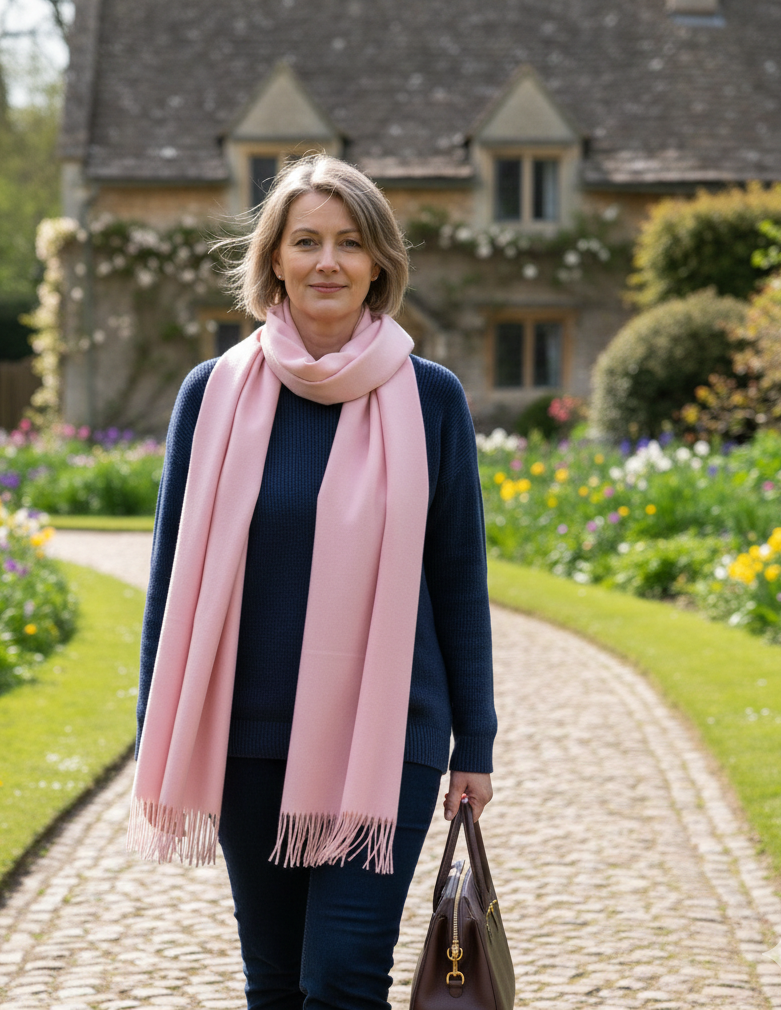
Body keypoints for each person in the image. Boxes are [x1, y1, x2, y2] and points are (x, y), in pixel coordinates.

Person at [130, 154, 496, 1010]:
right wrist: (158, 722)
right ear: (275, 260)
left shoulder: (431, 400)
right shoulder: (211, 393)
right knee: (277, 980)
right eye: (306, 242)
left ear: (378, 263)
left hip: (390, 733)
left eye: (348, 242)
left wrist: (472, 742)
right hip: (250, 736)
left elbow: (457, 579)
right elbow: (170, 577)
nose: (326, 261)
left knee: (343, 977)